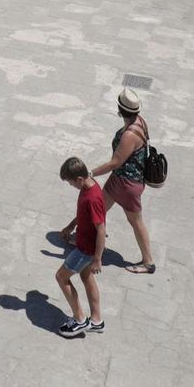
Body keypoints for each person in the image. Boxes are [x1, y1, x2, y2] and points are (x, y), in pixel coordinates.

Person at [91, 90, 156, 273]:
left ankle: (148, 262)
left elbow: (115, 162)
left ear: (120, 109)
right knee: (98, 208)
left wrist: (91, 173)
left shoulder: (129, 135)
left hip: (127, 184)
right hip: (121, 180)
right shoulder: (140, 122)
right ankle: (85, 238)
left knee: (135, 221)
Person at [54, 156, 106, 338]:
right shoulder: (87, 186)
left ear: (79, 179)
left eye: (70, 183)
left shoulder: (92, 198)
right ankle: (97, 320)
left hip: (85, 249)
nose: (71, 186)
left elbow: (101, 230)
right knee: (86, 276)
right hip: (85, 245)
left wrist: (98, 259)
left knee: (61, 277)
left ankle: (79, 320)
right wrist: (70, 226)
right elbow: (83, 215)